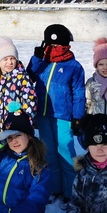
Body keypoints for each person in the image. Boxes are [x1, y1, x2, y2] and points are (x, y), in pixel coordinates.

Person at [27, 24, 86, 203]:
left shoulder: (73, 66)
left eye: (58, 46)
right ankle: (55, 188)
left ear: (66, 45)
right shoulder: (42, 62)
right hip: (43, 115)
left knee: (66, 152)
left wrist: (78, 116)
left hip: (63, 115)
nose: (54, 49)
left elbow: (79, 92)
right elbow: (28, 76)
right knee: (49, 153)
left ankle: (71, 191)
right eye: (51, 46)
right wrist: (36, 57)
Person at [0, 36, 37, 140]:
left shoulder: (22, 77)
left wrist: (23, 125)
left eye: (12, 58)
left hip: (18, 132)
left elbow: (30, 104)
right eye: (5, 59)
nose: (9, 62)